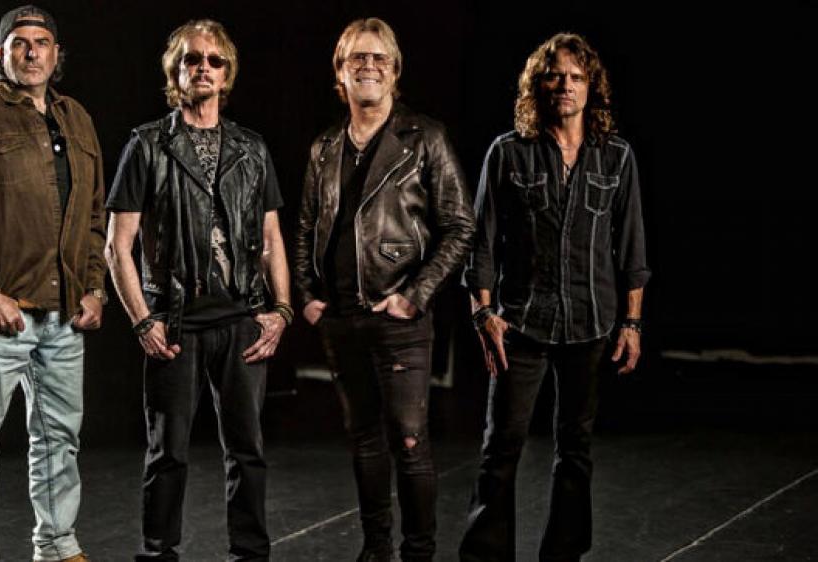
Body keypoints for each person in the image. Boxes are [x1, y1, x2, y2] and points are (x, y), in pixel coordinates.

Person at [103, 19, 291, 562]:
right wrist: (143, 320)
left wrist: (281, 310)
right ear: (175, 70)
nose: (203, 68)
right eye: (192, 59)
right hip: (175, 323)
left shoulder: (251, 148)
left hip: (241, 319)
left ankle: (250, 554)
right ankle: (157, 552)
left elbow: (272, 238)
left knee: (248, 450)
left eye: (214, 60)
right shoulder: (147, 144)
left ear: (226, 74)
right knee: (167, 453)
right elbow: (117, 245)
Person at [459, 32, 651, 562]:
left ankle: (563, 554)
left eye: (576, 76)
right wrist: (483, 313)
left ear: (591, 88)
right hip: (520, 324)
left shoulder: (616, 157)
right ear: (537, 85)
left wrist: (632, 323)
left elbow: (632, 248)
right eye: (554, 75)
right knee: (500, 448)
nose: (565, 85)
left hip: (591, 323)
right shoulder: (508, 153)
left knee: (576, 450)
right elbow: (481, 243)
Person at [293, 17, 475, 562]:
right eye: (357, 58)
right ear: (340, 73)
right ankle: (376, 551)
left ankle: (418, 553)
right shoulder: (325, 146)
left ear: (395, 71)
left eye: (379, 59)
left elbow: (460, 225)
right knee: (365, 441)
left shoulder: (425, 138)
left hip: (399, 319)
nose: (368, 67)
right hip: (342, 318)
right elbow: (305, 227)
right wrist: (306, 295)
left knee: (410, 442)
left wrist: (414, 296)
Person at [0, 5, 106, 561]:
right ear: (1, 54)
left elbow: (95, 215)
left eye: (42, 42)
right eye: (20, 43)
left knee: (59, 442)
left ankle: (57, 546)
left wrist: (95, 288)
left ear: (57, 54)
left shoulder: (78, 118)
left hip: (65, 317)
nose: (32, 52)